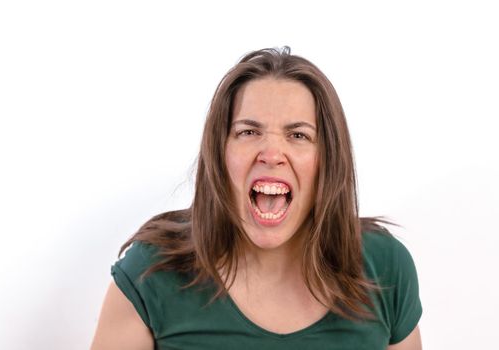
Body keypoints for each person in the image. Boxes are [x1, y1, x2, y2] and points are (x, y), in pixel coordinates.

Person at [91, 47, 422, 350]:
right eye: (248, 132)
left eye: (298, 135)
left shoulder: (385, 268)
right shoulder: (150, 272)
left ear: (328, 159)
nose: (272, 153)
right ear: (220, 153)